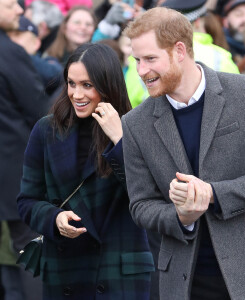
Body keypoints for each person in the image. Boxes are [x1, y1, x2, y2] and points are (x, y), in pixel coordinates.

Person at [122, 6, 245, 300]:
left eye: (150, 59)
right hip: (187, 281)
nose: (141, 71)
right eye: (137, 60)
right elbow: (141, 205)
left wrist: (212, 193)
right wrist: (181, 216)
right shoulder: (135, 124)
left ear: (180, 50)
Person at [17, 42, 154, 300]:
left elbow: (149, 193)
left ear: (107, 84)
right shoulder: (46, 130)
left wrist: (120, 139)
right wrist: (54, 219)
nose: (77, 94)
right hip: (66, 269)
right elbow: (27, 201)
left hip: (120, 273)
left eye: (87, 85)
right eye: (71, 83)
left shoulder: (135, 126)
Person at [0, 0, 51, 299]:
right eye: (10, 5)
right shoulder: (9, 52)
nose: (20, 10)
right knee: (30, 247)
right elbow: (40, 111)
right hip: (15, 175)